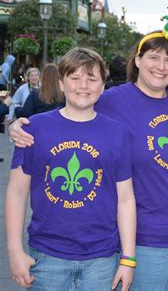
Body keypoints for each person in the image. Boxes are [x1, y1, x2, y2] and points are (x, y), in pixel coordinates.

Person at [9, 8, 168, 290]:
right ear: (137, 60)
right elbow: (68, 113)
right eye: (153, 57)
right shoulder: (112, 100)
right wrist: (17, 125)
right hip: (143, 238)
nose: (161, 66)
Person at [5, 47, 136, 290]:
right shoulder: (33, 129)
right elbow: (16, 192)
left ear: (102, 86)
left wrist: (128, 259)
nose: (83, 85)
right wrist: (14, 250)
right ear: (62, 84)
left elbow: (125, 199)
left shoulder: (118, 133)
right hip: (47, 255)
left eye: (92, 78)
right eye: (75, 77)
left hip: (102, 258)